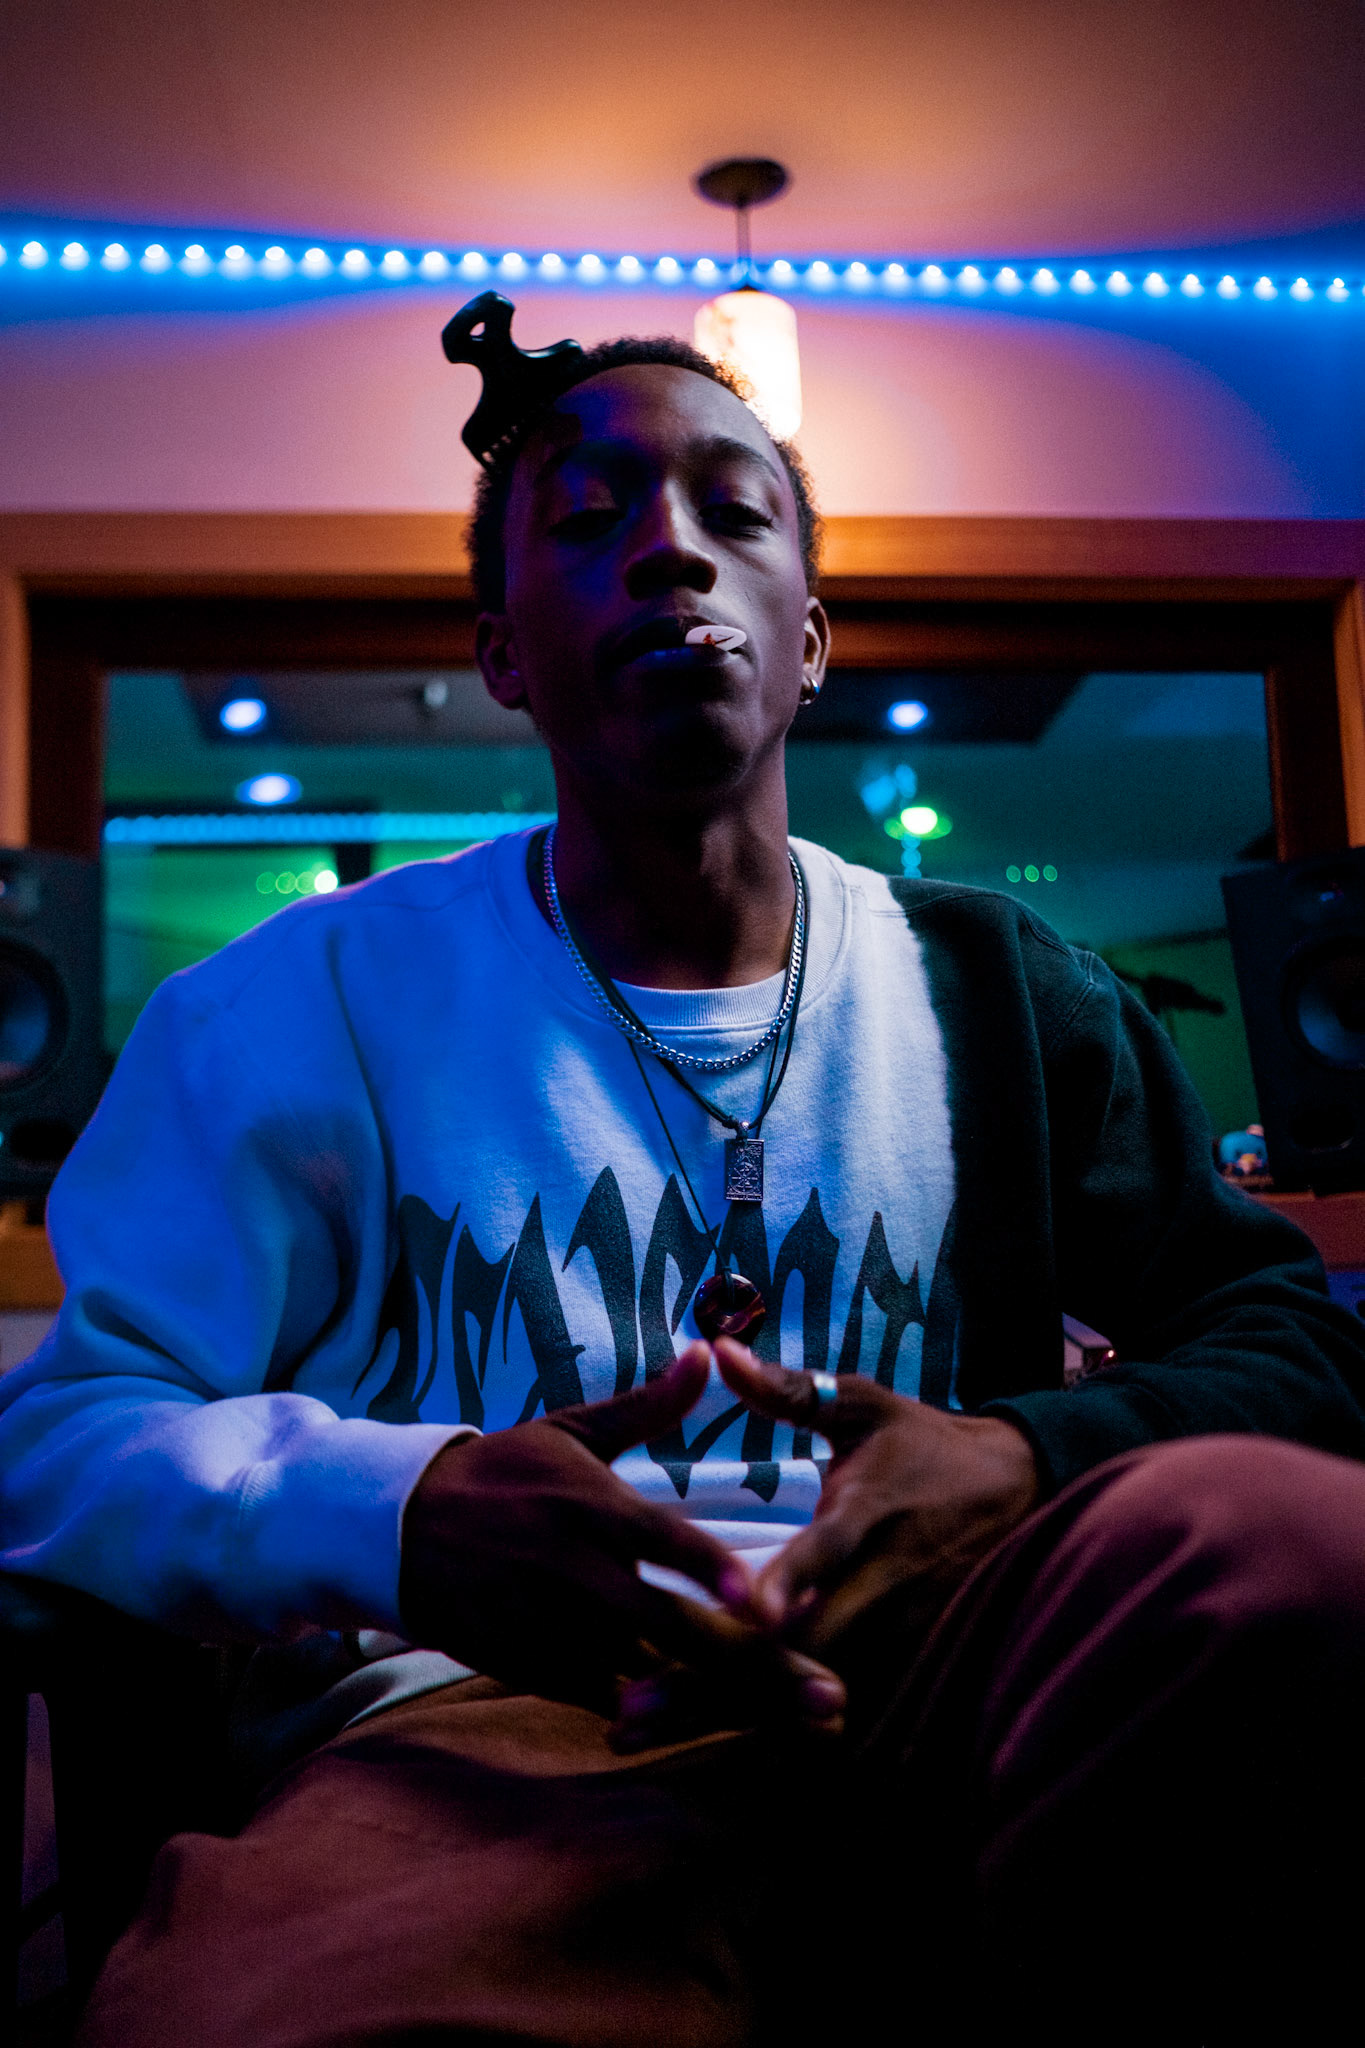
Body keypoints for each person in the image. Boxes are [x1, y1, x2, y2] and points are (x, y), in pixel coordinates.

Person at [5, 293, 1365, 2047]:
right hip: (484, 1727)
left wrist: (1018, 1455)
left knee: (1289, 1546)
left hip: (960, 1673)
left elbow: (1291, 1346)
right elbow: (63, 1437)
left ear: (810, 641)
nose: (668, 549)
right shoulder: (288, 1007)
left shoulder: (1004, 991)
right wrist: (404, 1513)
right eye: (589, 520)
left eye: (735, 510)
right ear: (504, 653)